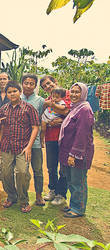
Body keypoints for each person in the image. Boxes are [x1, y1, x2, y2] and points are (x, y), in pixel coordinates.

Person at [0, 81, 39, 213]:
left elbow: (35, 127)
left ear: (19, 92)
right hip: (6, 146)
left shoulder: (28, 108)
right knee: (5, 173)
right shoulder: (4, 109)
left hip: (22, 147)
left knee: (22, 172)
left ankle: (23, 200)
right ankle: (11, 196)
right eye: (9, 92)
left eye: (14, 91)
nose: (12, 94)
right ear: (7, 94)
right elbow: (2, 129)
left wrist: (29, 147)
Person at [59, 82, 94, 218]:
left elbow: (82, 134)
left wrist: (74, 154)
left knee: (78, 181)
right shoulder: (76, 108)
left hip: (78, 153)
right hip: (68, 150)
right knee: (71, 179)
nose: (73, 94)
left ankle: (78, 208)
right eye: (72, 92)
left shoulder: (85, 110)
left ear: (83, 94)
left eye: (77, 92)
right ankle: (73, 204)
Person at [40, 75, 71, 205]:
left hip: (65, 137)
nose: (48, 87)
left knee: (64, 166)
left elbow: (68, 111)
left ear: (55, 82)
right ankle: (52, 190)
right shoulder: (47, 100)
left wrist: (62, 120)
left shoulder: (67, 94)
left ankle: (61, 194)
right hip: (50, 137)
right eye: (44, 86)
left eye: (49, 83)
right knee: (51, 166)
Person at [21, 74, 46, 206]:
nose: (29, 86)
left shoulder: (40, 101)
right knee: (22, 171)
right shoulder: (17, 98)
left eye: (32, 83)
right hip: (21, 142)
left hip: (35, 142)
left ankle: (38, 195)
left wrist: (41, 138)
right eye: (26, 83)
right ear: (22, 84)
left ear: (35, 86)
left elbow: (41, 118)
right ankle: (23, 195)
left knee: (37, 170)